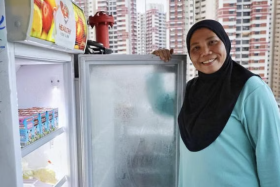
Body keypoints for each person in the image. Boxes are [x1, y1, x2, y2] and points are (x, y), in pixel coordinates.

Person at [153, 19, 280, 187]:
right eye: (196, 48)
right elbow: (160, 104)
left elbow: (271, 157)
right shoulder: (190, 91)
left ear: (225, 43)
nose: (205, 52)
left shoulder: (251, 90)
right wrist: (157, 67)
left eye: (212, 42)